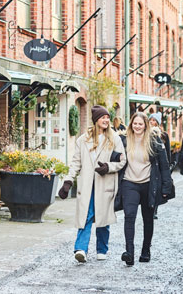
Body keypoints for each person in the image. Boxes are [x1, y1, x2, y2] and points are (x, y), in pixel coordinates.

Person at [58, 105, 126, 263]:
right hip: (87, 185)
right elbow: (76, 162)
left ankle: (102, 249)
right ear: (96, 120)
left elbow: (123, 160)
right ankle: (81, 249)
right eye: (103, 117)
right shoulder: (83, 139)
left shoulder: (114, 138)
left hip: (105, 184)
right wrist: (68, 181)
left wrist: (108, 167)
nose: (106, 120)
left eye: (108, 117)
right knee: (86, 215)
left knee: (103, 218)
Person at [120, 112, 171, 266]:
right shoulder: (123, 140)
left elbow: (164, 165)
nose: (137, 126)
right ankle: (129, 253)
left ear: (145, 125)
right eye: (135, 123)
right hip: (129, 183)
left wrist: (166, 187)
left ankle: (146, 250)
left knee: (148, 218)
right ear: (131, 124)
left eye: (140, 124)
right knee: (129, 216)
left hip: (149, 184)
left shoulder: (154, 141)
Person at [148, 112, 171, 219]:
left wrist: (169, 165)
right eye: (151, 120)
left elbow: (167, 151)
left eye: (154, 120)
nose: (152, 122)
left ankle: (154, 210)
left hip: (160, 165)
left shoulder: (163, 135)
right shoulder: (145, 133)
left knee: (157, 188)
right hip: (150, 165)